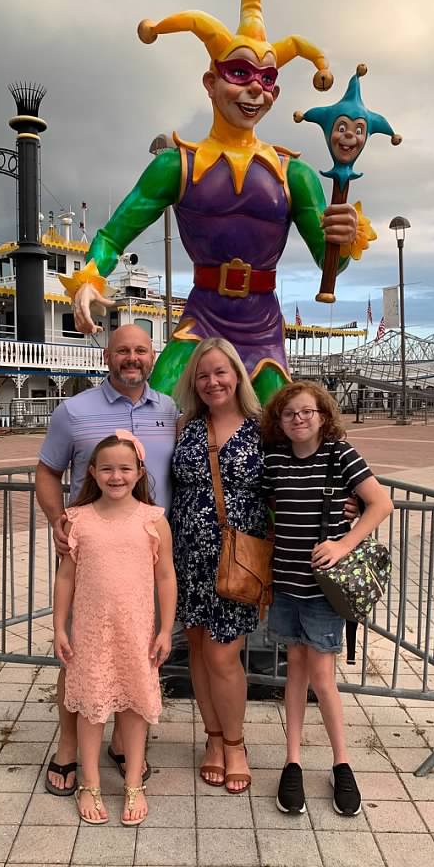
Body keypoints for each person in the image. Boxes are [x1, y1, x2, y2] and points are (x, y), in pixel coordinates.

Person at [61, 0, 368, 404]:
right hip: (201, 319)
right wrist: (90, 279)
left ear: (275, 92)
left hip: (262, 328)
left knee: (282, 423)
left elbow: (329, 261)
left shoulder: (293, 174)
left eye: (267, 78)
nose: (255, 89)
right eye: (240, 73)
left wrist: (344, 238)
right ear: (211, 81)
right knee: (158, 411)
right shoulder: (176, 166)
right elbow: (113, 236)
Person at [36, 324, 179, 795]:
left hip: (145, 551)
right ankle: (69, 746)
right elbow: (47, 471)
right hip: (90, 548)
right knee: (80, 656)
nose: (131, 358)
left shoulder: (169, 410)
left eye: (141, 350)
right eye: (122, 351)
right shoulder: (74, 411)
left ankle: (123, 743)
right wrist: (59, 521)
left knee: (137, 652)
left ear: (152, 357)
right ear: (107, 357)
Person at [261, 381, 393, 816]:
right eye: (289, 414)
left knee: (321, 676)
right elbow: (264, 502)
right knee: (295, 672)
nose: (298, 419)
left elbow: (380, 503)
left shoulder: (340, 455)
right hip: (286, 583)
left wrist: (344, 543)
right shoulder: (276, 459)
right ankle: (293, 760)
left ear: (322, 416)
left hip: (322, 588)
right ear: (279, 421)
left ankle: (342, 762)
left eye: (307, 412)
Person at [53, 432, 176, 825]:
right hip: (90, 633)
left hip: (137, 633)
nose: (116, 476)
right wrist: (59, 627)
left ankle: (134, 781)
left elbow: (166, 577)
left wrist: (165, 629)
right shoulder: (78, 519)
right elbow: (66, 578)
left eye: (125, 468)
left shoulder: (153, 520)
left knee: (134, 705)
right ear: (92, 472)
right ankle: (89, 781)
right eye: (107, 468)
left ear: (139, 472)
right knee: (92, 707)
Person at [171, 337, 266, 793]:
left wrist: (346, 503)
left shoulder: (263, 428)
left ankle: (235, 743)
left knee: (222, 654)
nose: (212, 382)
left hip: (237, 559)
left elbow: (301, 470)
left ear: (237, 376)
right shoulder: (185, 427)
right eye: (203, 375)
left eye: (220, 372)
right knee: (196, 648)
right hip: (187, 555)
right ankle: (212, 738)